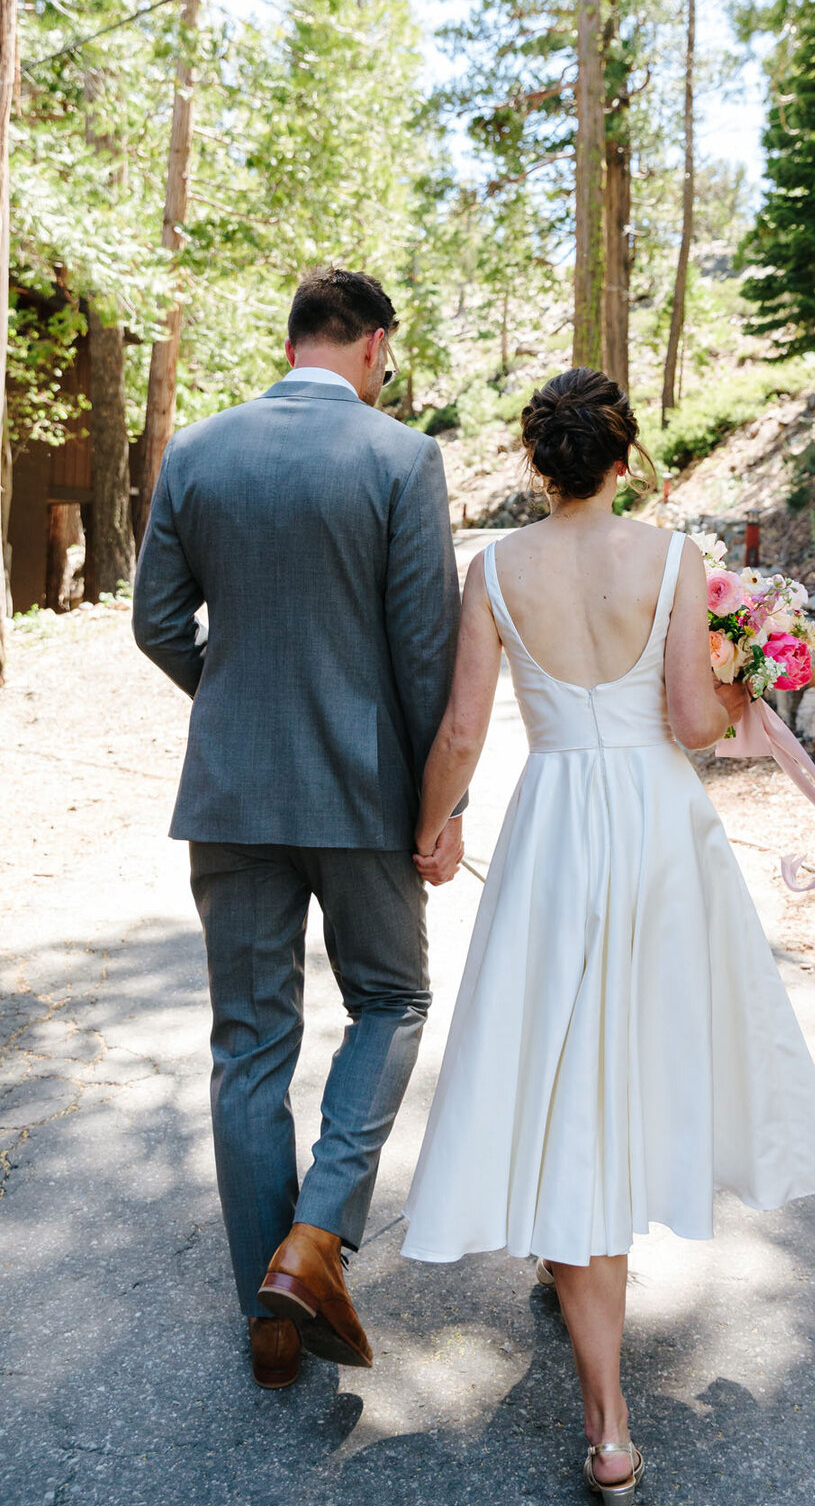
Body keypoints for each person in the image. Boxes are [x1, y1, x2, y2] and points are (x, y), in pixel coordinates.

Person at [401, 366, 815, 1500]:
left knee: (566, 1077)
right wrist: (746, 684)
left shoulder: (496, 567)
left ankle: (607, 1421)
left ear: (537, 463)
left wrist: (433, 828)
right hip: (656, 828)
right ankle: (604, 1362)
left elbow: (463, 727)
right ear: (622, 459)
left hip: (554, 825)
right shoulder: (673, 558)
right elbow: (695, 722)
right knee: (644, 1053)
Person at [132, 265, 464, 1390]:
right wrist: (440, 806)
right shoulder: (401, 458)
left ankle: (265, 1311)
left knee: (248, 1046)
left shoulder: (199, 453)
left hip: (231, 795)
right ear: (373, 345)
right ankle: (315, 1239)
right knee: (394, 998)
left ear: (293, 344)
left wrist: (229, 702)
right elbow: (427, 655)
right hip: (366, 797)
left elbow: (156, 622)